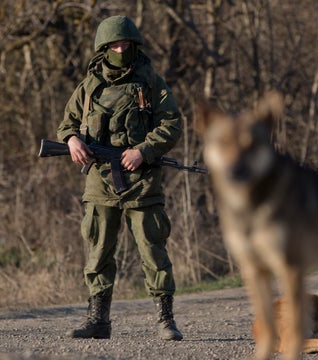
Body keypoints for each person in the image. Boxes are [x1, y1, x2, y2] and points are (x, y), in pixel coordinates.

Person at [57, 15, 183, 341]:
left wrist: (143, 150)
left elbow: (172, 124)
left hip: (142, 180)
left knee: (152, 250)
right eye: (114, 44)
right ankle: (98, 321)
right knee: (98, 250)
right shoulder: (89, 86)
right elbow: (67, 124)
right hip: (100, 180)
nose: (121, 48)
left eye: (126, 43)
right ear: (103, 47)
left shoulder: (151, 81)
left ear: (134, 44)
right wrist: (72, 141)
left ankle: (165, 320)